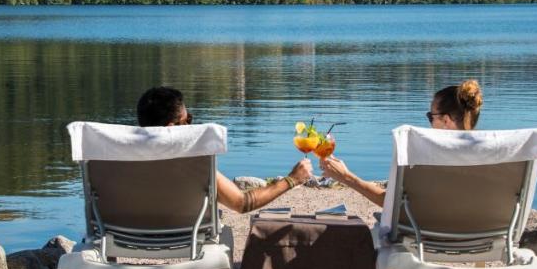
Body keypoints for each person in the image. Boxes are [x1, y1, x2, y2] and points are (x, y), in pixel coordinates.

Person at [136, 86, 313, 213]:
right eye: (187, 120)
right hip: (185, 237)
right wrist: (292, 179)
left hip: (126, 237)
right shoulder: (194, 163)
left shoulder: (118, 157)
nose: (191, 124)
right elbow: (242, 203)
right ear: (171, 128)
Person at [320, 79, 484, 208]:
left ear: (446, 120)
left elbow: (392, 204)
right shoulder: (494, 153)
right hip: (489, 241)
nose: (429, 122)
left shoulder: (427, 154)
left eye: (431, 116)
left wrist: (346, 177)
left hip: (429, 242)